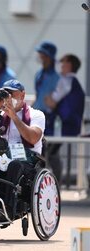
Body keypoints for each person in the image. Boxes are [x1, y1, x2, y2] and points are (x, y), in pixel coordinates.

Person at [0, 79, 45, 215]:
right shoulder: (0, 115)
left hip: (27, 158)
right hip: (3, 156)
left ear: (22, 95)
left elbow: (33, 137)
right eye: (6, 94)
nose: (8, 98)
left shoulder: (36, 114)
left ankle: (8, 209)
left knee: (14, 165)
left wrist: (14, 116)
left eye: (12, 94)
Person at [44, 54, 85, 183]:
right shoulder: (74, 82)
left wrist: (47, 97)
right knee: (50, 153)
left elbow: (51, 102)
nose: (61, 66)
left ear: (70, 65)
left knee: (48, 153)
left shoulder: (66, 81)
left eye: (64, 63)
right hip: (69, 125)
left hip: (62, 126)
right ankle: (56, 184)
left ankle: (54, 184)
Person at [32, 41, 60, 136]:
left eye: (43, 55)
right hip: (36, 114)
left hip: (48, 116)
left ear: (49, 57)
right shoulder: (39, 74)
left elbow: (54, 102)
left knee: (46, 144)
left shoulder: (56, 78)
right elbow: (37, 94)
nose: (40, 57)